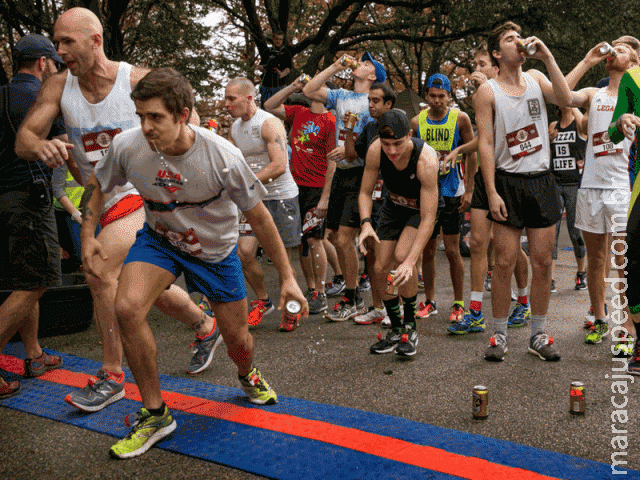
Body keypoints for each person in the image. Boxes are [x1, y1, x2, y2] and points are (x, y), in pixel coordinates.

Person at [80, 67, 307, 458]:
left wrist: (287, 277)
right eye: (141, 116)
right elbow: (97, 186)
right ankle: (155, 414)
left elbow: (260, 219)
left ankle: (246, 374)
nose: (146, 127)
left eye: (157, 117)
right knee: (126, 307)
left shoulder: (223, 156)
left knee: (239, 341)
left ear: (183, 114)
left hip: (216, 252)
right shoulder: (128, 146)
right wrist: (87, 236)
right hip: (161, 240)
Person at [15, 7, 220, 411]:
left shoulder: (137, 81)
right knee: (135, 289)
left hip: (144, 194)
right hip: (98, 197)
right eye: (55, 44)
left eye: (67, 42)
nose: (59, 52)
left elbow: (191, 124)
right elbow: (24, 139)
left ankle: (112, 374)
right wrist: (42, 147)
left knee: (99, 267)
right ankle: (204, 324)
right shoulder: (58, 87)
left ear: (95, 41)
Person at [475, 21, 575, 362]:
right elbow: (486, 143)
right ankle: (499, 334)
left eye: (519, 37)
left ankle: (538, 334)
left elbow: (565, 100)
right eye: (509, 39)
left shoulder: (535, 77)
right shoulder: (487, 91)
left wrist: (547, 57)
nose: (518, 42)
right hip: (507, 182)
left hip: (542, 180)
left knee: (543, 262)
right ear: (496, 53)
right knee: (503, 262)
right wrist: (491, 191)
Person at [445, 45, 531, 336]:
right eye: (474, 64)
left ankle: (523, 301)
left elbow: (509, 129)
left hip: (509, 175)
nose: (475, 70)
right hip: (485, 176)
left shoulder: (509, 90)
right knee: (479, 243)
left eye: (480, 64)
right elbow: (485, 136)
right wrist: (458, 149)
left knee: (508, 244)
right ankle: (476, 312)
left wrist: (487, 88)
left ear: (495, 66)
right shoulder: (482, 95)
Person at [0, 34, 66, 399]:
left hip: (3, 199)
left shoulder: (2, 95)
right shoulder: (41, 100)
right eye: (53, 63)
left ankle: (34, 354)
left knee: (24, 281)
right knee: (35, 283)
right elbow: (66, 148)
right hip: (28, 197)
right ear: (42, 63)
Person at [565, 40, 638, 346]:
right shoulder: (594, 95)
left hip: (622, 187)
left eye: (620, 49)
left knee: (621, 261)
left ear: (634, 59)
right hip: (591, 187)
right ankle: (599, 318)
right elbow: (562, 94)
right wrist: (587, 59)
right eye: (612, 48)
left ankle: (626, 329)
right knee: (596, 259)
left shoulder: (635, 96)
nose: (613, 53)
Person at [303, 52, 387, 321]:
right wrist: (334, 65)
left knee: (343, 238)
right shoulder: (340, 96)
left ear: (373, 76)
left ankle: (351, 297)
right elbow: (309, 89)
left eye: (366, 63)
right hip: (340, 173)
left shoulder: (372, 104)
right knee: (335, 238)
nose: (359, 64)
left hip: (362, 174)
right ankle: (356, 295)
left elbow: (376, 145)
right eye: (359, 61)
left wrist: (349, 149)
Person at [358, 109, 439, 356]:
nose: (392, 151)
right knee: (381, 267)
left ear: (410, 136)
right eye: (386, 144)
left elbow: (428, 218)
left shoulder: (426, 160)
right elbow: (364, 193)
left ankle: (410, 327)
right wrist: (366, 223)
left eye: (398, 143)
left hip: (419, 210)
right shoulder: (375, 151)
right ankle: (395, 328)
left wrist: (412, 261)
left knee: (403, 258)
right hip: (393, 206)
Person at [225, 77, 302, 329]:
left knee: (282, 261)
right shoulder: (235, 128)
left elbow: (279, 166)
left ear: (248, 98)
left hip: (280, 197)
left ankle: (291, 307)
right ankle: (263, 300)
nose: (226, 104)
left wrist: (248, 183)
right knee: (244, 252)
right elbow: (234, 163)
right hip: (254, 198)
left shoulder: (268, 123)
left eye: (231, 99)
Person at [263, 77, 337, 315]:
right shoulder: (299, 112)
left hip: (317, 187)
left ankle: (322, 292)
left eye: (322, 84)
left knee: (315, 239)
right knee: (303, 242)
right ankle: (312, 289)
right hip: (295, 187)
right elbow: (269, 106)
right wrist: (293, 87)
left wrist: (325, 197)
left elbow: (332, 162)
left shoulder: (331, 121)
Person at [411, 74, 476, 324]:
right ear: (426, 96)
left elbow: (472, 153)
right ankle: (429, 300)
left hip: (452, 193)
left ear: (449, 96)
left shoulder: (460, 119)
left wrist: (469, 190)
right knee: (426, 250)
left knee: (451, 250)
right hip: (427, 193)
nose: (437, 100)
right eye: (432, 96)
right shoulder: (417, 122)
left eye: (442, 96)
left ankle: (459, 303)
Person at [344, 82, 396, 325]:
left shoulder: (400, 125)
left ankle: (395, 311)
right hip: (372, 197)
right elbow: (352, 155)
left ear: (389, 103)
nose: (371, 105)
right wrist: (348, 129)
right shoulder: (370, 127)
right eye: (369, 100)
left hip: (394, 200)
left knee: (390, 257)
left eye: (376, 100)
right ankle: (378, 308)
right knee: (373, 255)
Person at [609, 50, 640, 374]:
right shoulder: (633, 80)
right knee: (632, 255)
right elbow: (613, 133)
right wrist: (622, 121)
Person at [548, 106, 587, 291]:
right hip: (555, 183)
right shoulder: (553, 125)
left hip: (574, 184)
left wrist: (573, 103)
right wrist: (549, 140)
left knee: (575, 232)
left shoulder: (578, 124)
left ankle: (581, 274)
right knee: (552, 234)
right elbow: (544, 149)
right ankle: (550, 278)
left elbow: (585, 126)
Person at [52, 164, 84, 273]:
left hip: (88, 211)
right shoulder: (63, 158)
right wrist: (77, 215)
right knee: (78, 259)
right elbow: (57, 188)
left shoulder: (93, 154)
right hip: (66, 213)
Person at [257, 31, 292, 107]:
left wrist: (281, 74)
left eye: (280, 39)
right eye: (276, 39)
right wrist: (262, 67)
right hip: (266, 85)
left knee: (279, 108)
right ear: (273, 39)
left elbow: (288, 69)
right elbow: (260, 66)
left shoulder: (286, 53)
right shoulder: (267, 51)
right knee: (265, 107)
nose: (278, 41)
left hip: (280, 85)